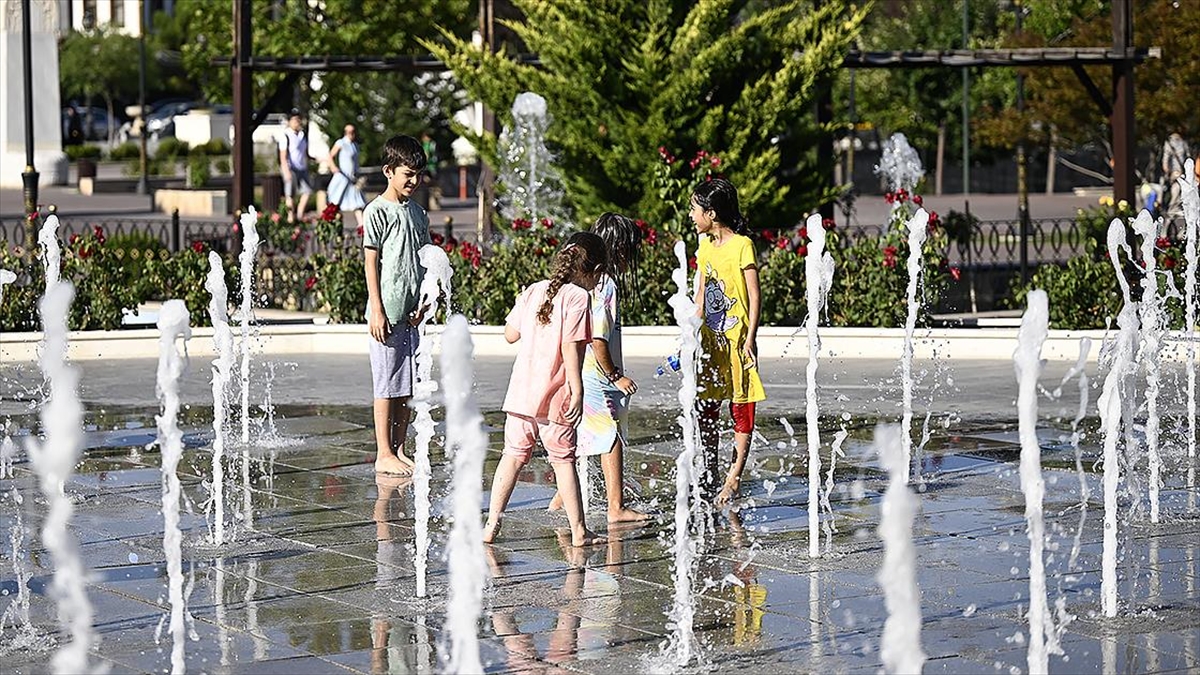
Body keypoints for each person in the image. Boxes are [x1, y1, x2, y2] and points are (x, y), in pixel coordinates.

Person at [483, 232, 609, 548]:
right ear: (594, 271)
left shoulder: (536, 291)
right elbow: (571, 348)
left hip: (521, 394)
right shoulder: (579, 299)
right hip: (556, 398)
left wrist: (522, 303)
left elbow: (510, 335)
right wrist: (578, 391)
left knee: (511, 457)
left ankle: (491, 523)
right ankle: (579, 532)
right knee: (563, 461)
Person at [548, 213, 649, 523]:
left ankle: (560, 500)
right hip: (597, 372)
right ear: (619, 251)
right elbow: (599, 338)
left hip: (579, 368)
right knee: (610, 438)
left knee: (583, 439)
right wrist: (615, 376)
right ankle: (615, 508)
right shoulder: (605, 285)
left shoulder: (580, 280)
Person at [689, 178, 765, 508]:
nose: (691, 215)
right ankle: (709, 470)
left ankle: (733, 477)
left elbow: (754, 294)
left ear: (712, 213)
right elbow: (702, 293)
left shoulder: (742, 246)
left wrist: (750, 338)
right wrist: (691, 332)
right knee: (706, 408)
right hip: (711, 342)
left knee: (741, 407)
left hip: (737, 342)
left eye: (695, 209)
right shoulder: (705, 246)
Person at [363, 135, 431, 475]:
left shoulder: (418, 213)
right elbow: (370, 262)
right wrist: (376, 307)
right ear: (389, 171)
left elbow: (428, 261)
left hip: (411, 313)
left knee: (408, 385)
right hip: (386, 313)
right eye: (408, 174)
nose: (414, 181)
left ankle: (400, 448)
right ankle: (383, 452)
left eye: (418, 174)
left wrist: (426, 303)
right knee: (386, 384)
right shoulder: (377, 211)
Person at [325, 124, 367, 230]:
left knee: (357, 201)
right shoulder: (341, 143)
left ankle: (361, 225)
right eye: (348, 132)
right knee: (335, 202)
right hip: (342, 177)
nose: (351, 134)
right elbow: (330, 156)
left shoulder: (355, 145)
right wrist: (333, 167)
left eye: (352, 132)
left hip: (352, 178)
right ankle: (332, 224)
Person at [279, 111, 313, 223]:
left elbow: (305, 153)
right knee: (290, 193)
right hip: (290, 167)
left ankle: (299, 213)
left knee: (307, 191)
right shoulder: (286, 136)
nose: (297, 122)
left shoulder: (303, 135)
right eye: (294, 120)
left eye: (298, 120)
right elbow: (283, 156)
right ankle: (290, 216)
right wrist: (286, 170)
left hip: (302, 167)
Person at [1162, 133, 1192, 216]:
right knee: (1176, 188)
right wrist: (1168, 172)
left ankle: (1177, 207)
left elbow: (1187, 156)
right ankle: (1173, 208)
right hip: (1175, 171)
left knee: (1182, 189)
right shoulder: (1170, 143)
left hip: (1181, 171)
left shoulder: (1183, 142)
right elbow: (1166, 159)